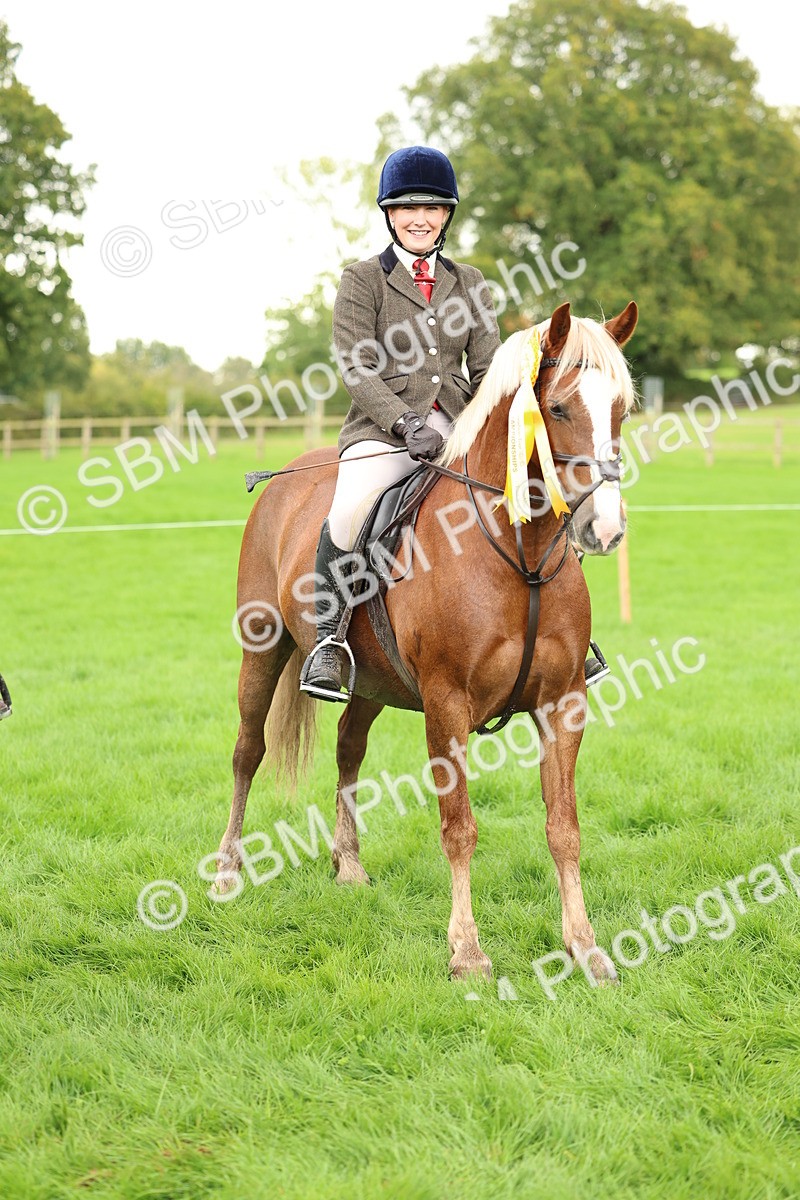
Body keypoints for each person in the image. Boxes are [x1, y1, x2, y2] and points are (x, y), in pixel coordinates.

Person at [299, 145, 609, 702]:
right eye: (407, 208)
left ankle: (570, 641)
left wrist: (499, 420)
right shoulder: (362, 281)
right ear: (389, 214)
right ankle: (330, 640)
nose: (420, 219)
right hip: (382, 433)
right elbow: (356, 367)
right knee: (349, 510)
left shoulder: (470, 282)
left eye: (433, 209)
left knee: (544, 500)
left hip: (462, 428)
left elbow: (490, 366)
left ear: (447, 216)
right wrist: (402, 423)